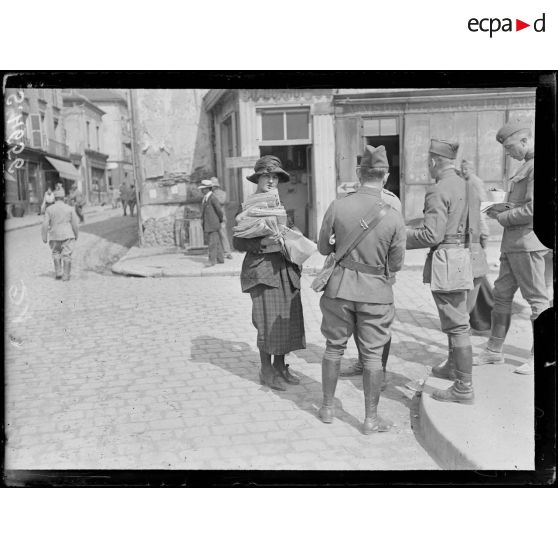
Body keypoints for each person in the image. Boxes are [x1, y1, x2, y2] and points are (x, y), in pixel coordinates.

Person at [317, 145, 406, 433]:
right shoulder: (393, 214)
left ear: (359, 173)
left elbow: (321, 248)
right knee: (371, 356)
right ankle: (370, 419)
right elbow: (397, 262)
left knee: (333, 349)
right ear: (386, 176)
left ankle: (328, 408)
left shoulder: (338, 205)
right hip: (376, 295)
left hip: (338, 289)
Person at [407, 139, 482, 404]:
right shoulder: (467, 183)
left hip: (450, 261)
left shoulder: (437, 190)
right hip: (472, 258)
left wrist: (398, 236)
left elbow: (431, 234)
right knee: (459, 319)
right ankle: (453, 367)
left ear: (433, 161)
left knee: (457, 324)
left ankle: (463, 388)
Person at [475, 120, 550, 375]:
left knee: (537, 300)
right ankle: (494, 351)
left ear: (526, 141)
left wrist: (500, 216)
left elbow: (533, 210)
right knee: (501, 296)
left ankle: (540, 355)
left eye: (510, 147)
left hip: (528, 244)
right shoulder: (526, 166)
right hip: (513, 245)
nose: (508, 153)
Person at [232, 156, 305, 391]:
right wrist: (262, 243)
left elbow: (291, 229)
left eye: (275, 177)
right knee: (266, 321)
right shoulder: (248, 206)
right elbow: (237, 242)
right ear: (258, 178)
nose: (272, 181)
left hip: (285, 269)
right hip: (263, 271)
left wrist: (294, 236)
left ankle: (281, 367)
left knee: (286, 318)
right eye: (267, 176)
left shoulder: (278, 203)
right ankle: (266, 370)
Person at [340, 156, 402, 386]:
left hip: (378, 271)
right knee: (359, 321)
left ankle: (380, 369)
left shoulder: (390, 202)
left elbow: (395, 240)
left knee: (378, 325)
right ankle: (363, 362)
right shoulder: (351, 200)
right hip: (358, 269)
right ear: (385, 176)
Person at [460, 159, 494, 333]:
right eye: (462, 168)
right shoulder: (463, 182)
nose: (464, 170)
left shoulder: (475, 182)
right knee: (475, 281)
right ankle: (478, 320)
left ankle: (483, 319)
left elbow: (481, 209)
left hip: (476, 235)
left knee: (477, 280)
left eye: (467, 168)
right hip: (469, 237)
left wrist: (484, 234)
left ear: (472, 169)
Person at [41, 187, 79, 281]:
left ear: (54, 198)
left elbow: (45, 224)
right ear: (64, 198)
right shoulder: (70, 208)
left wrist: (44, 237)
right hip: (68, 235)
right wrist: (76, 234)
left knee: (56, 252)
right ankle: (66, 275)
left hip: (54, 235)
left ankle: (58, 272)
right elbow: (75, 224)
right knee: (67, 255)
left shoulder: (49, 209)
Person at [199, 179, 224, 267]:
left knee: (212, 243)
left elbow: (219, 211)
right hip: (209, 224)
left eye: (203, 188)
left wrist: (219, 221)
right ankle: (220, 258)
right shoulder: (206, 198)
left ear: (207, 189)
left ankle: (212, 261)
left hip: (213, 224)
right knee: (216, 241)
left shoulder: (212, 198)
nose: (201, 190)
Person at [210, 176, 233, 259]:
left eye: (213, 186)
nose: (212, 188)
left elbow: (222, 201)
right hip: (213, 218)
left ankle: (227, 252)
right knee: (214, 235)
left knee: (223, 235)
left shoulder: (222, 193)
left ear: (216, 186)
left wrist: (213, 197)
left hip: (221, 217)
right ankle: (218, 253)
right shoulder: (210, 194)